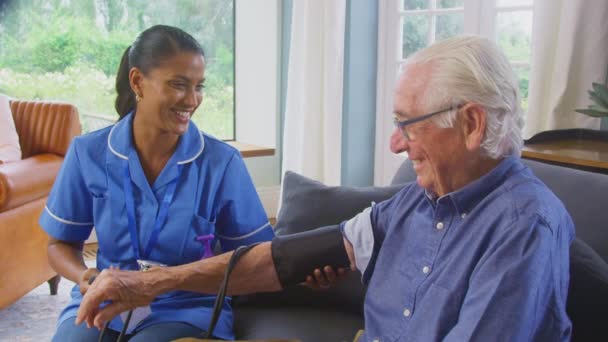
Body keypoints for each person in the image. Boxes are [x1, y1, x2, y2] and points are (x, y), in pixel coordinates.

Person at [76, 36, 574, 341]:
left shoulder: (522, 230)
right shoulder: (414, 203)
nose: (395, 144)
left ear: (470, 123)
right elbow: (280, 259)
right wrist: (148, 283)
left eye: (409, 123)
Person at [39, 25, 277, 341]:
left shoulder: (222, 163)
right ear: (137, 81)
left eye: (199, 86)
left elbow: (257, 256)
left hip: (186, 306)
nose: (192, 100)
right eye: (179, 85)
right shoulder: (88, 153)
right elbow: (59, 244)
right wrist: (87, 276)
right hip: (105, 297)